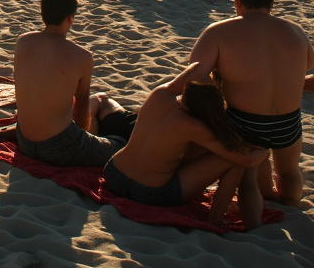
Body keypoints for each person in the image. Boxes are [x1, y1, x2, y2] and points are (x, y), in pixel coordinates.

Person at [188, 0, 314, 206]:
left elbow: (194, 75)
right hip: (288, 121)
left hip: (245, 120)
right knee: (289, 171)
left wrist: (224, 83)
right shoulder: (296, 32)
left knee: (255, 162)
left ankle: (265, 197)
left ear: (237, 2)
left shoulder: (219, 31)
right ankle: (290, 205)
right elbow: (305, 70)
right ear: (271, 5)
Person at [103, 66, 264, 227]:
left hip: (113, 174)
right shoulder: (193, 126)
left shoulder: (160, 95)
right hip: (148, 193)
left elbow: (188, 74)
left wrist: (202, 67)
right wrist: (264, 150)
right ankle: (215, 219)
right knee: (232, 161)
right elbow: (246, 160)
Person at [12, 0, 135, 166]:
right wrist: (86, 139)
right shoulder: (82, 56)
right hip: (59, 146)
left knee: (95, 101)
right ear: (71, 18)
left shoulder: (23, 41)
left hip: (24, 140)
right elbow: (82, 110)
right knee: (121, 145)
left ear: (43, 14)